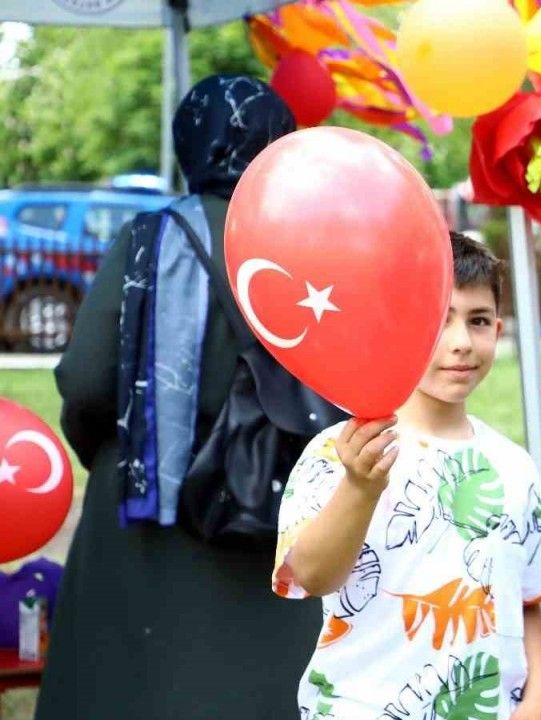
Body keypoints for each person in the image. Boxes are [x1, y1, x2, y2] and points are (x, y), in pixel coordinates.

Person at [37, 75, 312, 720]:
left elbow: (87, 379)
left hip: (147, 509)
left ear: (190, 143)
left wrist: (114, 449)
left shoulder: (149, 238)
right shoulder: (311, 246)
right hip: (279, 504)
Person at [271, 232, 541, 720]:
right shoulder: (340, 451)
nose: (461, 342)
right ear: (394, 326)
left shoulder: (515, 466)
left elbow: (529, 600)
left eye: (478, 321)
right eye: (437, 320)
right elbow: (312, 576)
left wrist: (538, 699)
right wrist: (360, 487)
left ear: (498, 329)